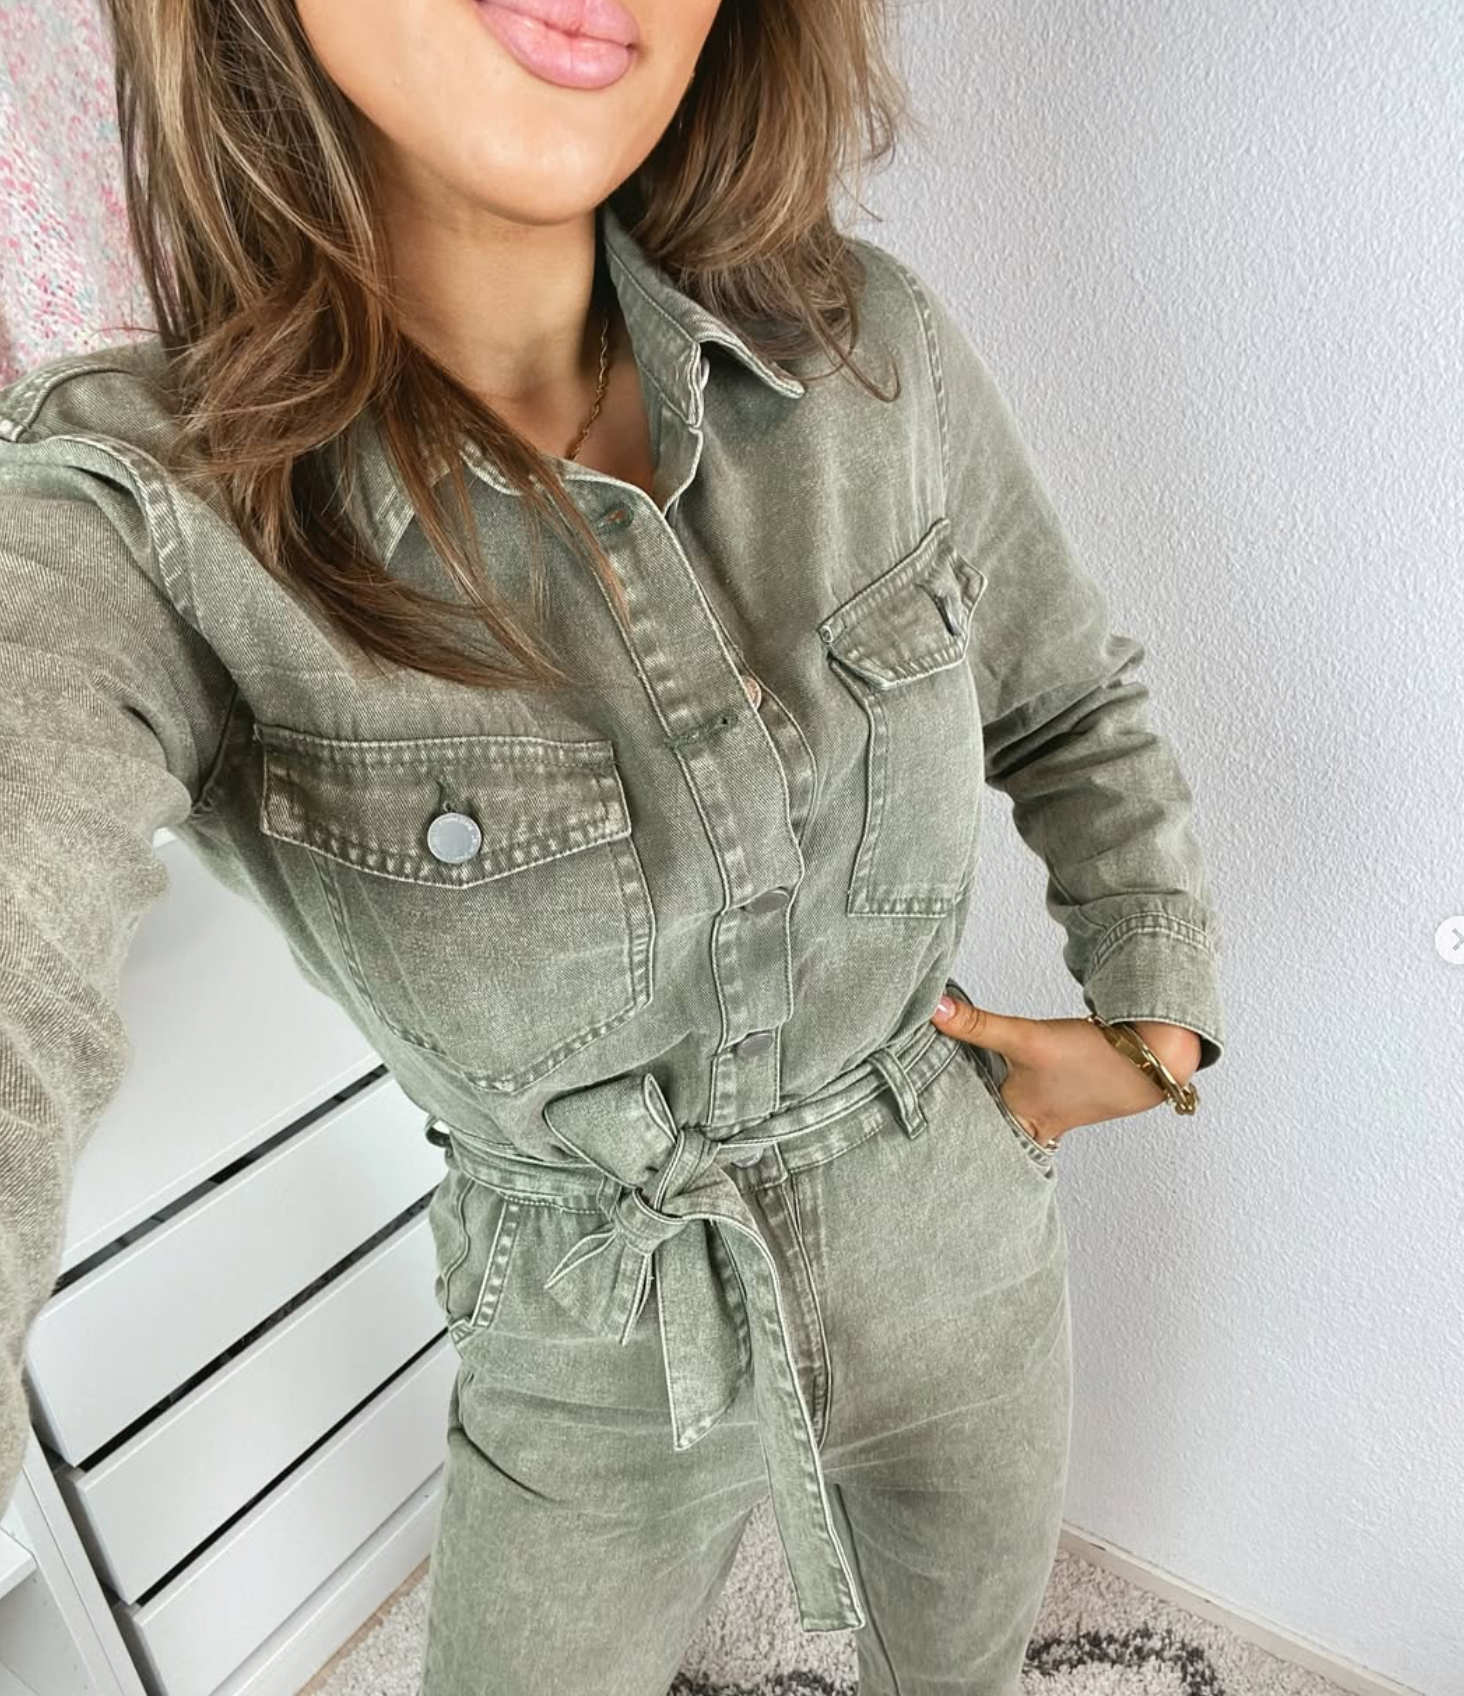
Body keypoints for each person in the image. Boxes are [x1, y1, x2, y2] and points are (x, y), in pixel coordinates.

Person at [0, 0, 1225, 1691]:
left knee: (965, 1669)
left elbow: (1070, 701)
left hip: (957, 1235)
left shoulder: (871, 353)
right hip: (590, 1328)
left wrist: (1158, 1024)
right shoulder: (151, 517)